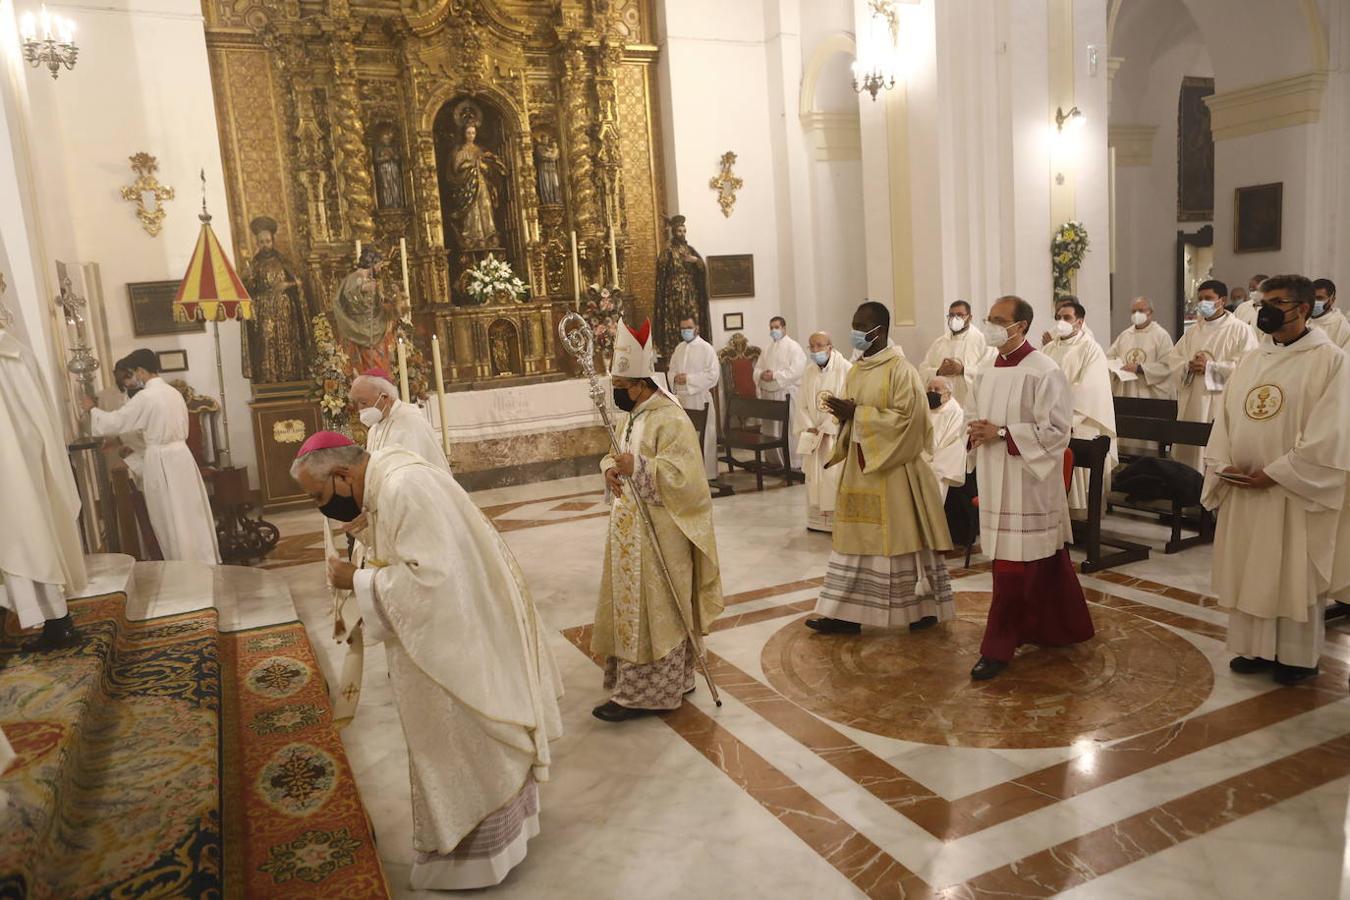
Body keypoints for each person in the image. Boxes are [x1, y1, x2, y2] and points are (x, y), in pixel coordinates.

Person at [294, 431, 562, 889]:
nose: (322, 506)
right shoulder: (385, 474)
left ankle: (476, 858)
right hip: (464, 625)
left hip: (456, 637)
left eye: (320, 496)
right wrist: (361, 531)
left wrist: (356, 580)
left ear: (342, 474)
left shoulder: (402, 487)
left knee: (462, 736)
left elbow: (432, 581)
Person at [1203, 275, 1350, 684]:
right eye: (1262, 301)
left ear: (1302, 309)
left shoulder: (1331, 359)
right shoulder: (1252, 358)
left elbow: (1332, 431)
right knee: (1252, 567)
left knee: (1292, 571)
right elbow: (1227, 419)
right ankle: (1255, 648)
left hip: (1293, 491)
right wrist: (1224, 463)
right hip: (1245, 488)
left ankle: (1296, 657)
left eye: (1276, 302)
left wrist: (1279, 472)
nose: (1264, 309)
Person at [593, 320, 724, 721]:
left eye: (621, 384)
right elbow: (618, 452)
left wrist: (642, 468)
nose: (617, 392)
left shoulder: (670, 418)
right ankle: (642, 683)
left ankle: (649, 693)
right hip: (630, 529)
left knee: (659, 609)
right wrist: (610, 469)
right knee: (636, 609)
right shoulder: (633, 416)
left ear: (640, 384)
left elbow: (689, 480)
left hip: (662, 532)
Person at [804, 301, 955, 635]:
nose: (855, 332)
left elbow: (912, 424)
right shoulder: (857, 370)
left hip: (893, 472)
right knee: (854, 541)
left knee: (896, 542)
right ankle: (844, 613)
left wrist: (857, 415)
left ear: (880, 330)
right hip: (860, 469)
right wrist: (844, 415)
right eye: (854, 325)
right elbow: (852, 414)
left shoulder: (903, 371)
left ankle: (919, 609)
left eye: (861, 326)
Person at [967, 296, 1094, 679]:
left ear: (1020, 326)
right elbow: (974, 415)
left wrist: (1002, 432)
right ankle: (1062, 626)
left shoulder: (1045, 370)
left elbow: (1057, 432)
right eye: (989, 318)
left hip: (1029, 483)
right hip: (994, 475)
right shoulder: (986, 369)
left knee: (1013, 568)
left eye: (998, 320)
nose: (991, 325)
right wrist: (973, 431)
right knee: (1044, 560)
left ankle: (998, 647)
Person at [83, 348, 219, 564]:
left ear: (141, 370)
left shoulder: (147, 396)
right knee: (189, 511)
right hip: (182, 457)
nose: (134, 378)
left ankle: (183, 562)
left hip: (162, 460)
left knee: (169, 514)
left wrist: (92, 410)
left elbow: (116, 421)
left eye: (134, 372)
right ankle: (203, 559)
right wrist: (121, 441)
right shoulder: (173, 392)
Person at [1, 312, 87, 649]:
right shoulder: (17, 351)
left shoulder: (12, 353)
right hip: (25, 456)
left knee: (23, 537)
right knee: (31, 534)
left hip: (12, 461)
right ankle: (55, 618)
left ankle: (55, 621)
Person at [1139, 279, 1257, 470]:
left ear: (1222, 300)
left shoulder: (1241, 330)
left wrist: (1210, 368)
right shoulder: (1193, 331)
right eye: (1200, 299)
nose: (1203, 303)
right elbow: (1174, 359)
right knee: (1189, 458)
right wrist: (1187, 366)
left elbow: (1250, 368)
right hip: (1192, 403)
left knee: (1216, 454)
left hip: (1220, 405)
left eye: (1208, 298)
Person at [1043, 300, 1118, 511]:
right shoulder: (1049, 348)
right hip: (1050, 422)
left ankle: (1082, 516)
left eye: (1066, 318)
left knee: (1078, 476)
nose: (1061, 322)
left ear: (1079, 322)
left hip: (1079, 419)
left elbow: (1090, 389)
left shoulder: (1091, 349)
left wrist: (1064, 417)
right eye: (1058, 317)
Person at [793, 331, 851, 532]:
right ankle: (816, 521)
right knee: (813, 477)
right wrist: (808, 425)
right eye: (811, 346)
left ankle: (837, 523)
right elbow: (801, 404)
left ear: (830, 347)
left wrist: (827, 427)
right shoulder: (809, 371)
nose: (815, 350)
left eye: (819, 345)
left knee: (833, 476)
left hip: (834, 436)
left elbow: (848, 402)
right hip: (813, 435)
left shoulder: (846, 369)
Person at [108, 357, 162, 560]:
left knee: (156, 515)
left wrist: (131, 455)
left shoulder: (146, 399)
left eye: (130, 376)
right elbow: (128, 431)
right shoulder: (128, 400)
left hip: (151, 464)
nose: (128, 381)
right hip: (138, 466)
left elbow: (148, 439)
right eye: (123, 377)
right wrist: (122, 445)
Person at [349, 371, 451, 476]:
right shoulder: (375, 427)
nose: (359, 409)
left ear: (385, 398)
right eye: (356, 403)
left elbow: (413, 475)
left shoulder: (410, 423)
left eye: (363, 402)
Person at [667, 316, 721, 480]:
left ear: (696, 328)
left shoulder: (706, 349)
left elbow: (713, 375)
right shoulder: (679, 348)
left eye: (689, 328)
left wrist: (689, 379)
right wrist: (675, 377)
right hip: (682, 400)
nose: (686, 331)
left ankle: (707, 474)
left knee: (704, 438)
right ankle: (688, 474)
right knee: (684, 438)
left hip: (700, 400)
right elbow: (671, 371)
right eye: (683, 328)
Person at [753, 316, 809, 470]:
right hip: (770, 394)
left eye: (776, 327)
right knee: (771, 428)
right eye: (771, 328)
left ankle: (793, 461)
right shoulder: (768, 348)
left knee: (789, 428)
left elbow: (797, 370)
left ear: (784, 328)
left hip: (786, 393)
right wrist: (761, 374)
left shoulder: (794, 347)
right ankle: (774, 460)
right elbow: (757, 368)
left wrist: (775, 375)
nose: (773, 331)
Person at [918, 300, 995, 407]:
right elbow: (922, 371)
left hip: (970, 406)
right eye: (951, 315)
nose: (954, 319)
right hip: (943, 408)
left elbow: (991, 373)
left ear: (970, 317)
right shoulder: (939, 343)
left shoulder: (983, 342)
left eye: (959, 315)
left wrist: (963, 370)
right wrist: (938, 372)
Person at [654, 215, 710, 358]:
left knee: (693, 317)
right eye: (679, 231)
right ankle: (673, 349)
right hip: (673, 295)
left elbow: (702, 267)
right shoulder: (668, 251)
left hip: (690, 293)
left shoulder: (690, 250)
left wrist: (695, 261)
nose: (682, 234)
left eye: (684, 231)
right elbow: (661, 273)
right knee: (675, 322)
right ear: (674, 232)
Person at [923, 376, 966, 502]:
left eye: (937, 390)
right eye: (929, 389)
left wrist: (930, 465)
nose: (932, 392)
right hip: (915, 465)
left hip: (935, 471)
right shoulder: (921, 408)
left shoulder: (956, 413)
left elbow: (953, 444)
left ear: (948, 394)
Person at [1311, 278, 1350, 350]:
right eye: (1311, 298)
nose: (1314, 302)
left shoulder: (1343, 328)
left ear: (1332, 300)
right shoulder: (1302, 320)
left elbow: (1345, 359)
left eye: (1319, 298)